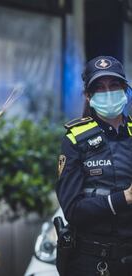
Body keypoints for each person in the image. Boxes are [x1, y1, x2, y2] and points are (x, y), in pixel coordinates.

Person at [56, 55, 132, 276]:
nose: (108, 93)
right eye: (99, 88)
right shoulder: (75, 140)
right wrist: (123, 198)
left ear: (125, 89)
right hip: (95, 263)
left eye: (114, 85)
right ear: (88, 96)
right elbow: (72, 209)